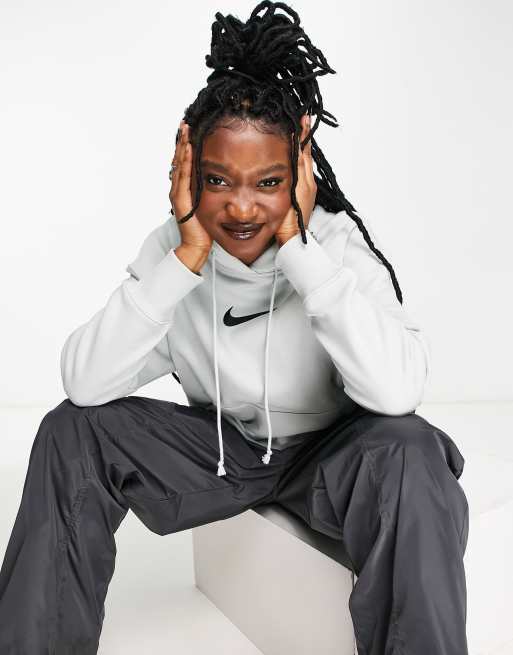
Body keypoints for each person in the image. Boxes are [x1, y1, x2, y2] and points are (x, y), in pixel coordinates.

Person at [0, 1, 469, 653]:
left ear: (299, 171)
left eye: (268, 182)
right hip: (224, 452)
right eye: (218, 180)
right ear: (189, 169)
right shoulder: (174, 250)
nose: (242, 207)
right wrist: (185, 259)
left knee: (412, 450)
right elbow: (85, 383)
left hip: (335, 461)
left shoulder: (335, 246)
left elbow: (397, 392)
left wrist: (301, 254)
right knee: (72, 431)